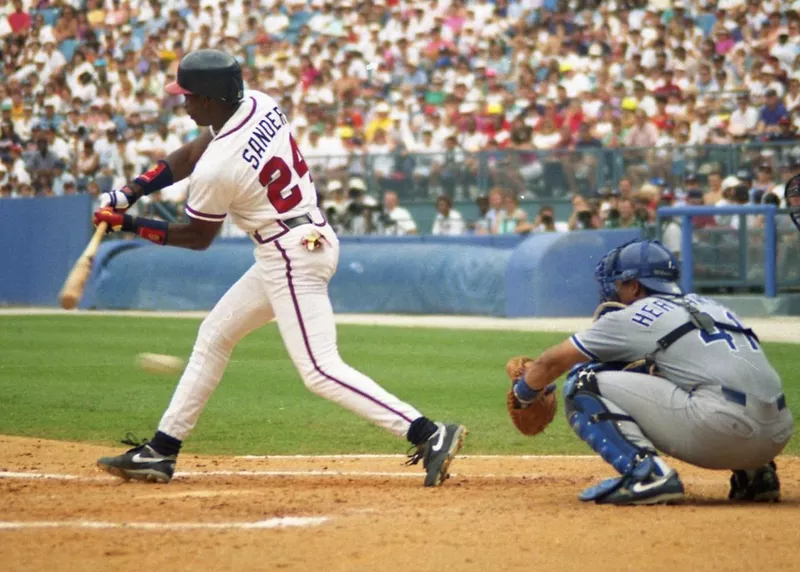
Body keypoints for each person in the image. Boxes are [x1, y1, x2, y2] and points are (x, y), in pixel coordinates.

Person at [93, 50, 466, 487]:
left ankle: (428, 432)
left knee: (319, 369)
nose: (184, 103)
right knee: (215, 335)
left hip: (290, 252)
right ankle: (162, 450)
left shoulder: (218, 168)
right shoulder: (258, 104)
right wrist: (132, 190)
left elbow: (197, 237)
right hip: (300, 239)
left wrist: (129, 225)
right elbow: (196, 149)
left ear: (211, 99)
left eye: (189, 96)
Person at [509, 240, 793, 505]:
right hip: (777, 435)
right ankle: (757, 476)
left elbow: (553, 363)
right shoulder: (712, 306)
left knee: (583, 382)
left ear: (633, 285)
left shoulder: (636, 314)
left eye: (617, 283)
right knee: (675, 373)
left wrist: (523, 394)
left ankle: (647, 474)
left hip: (719, 431)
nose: (612, 291)